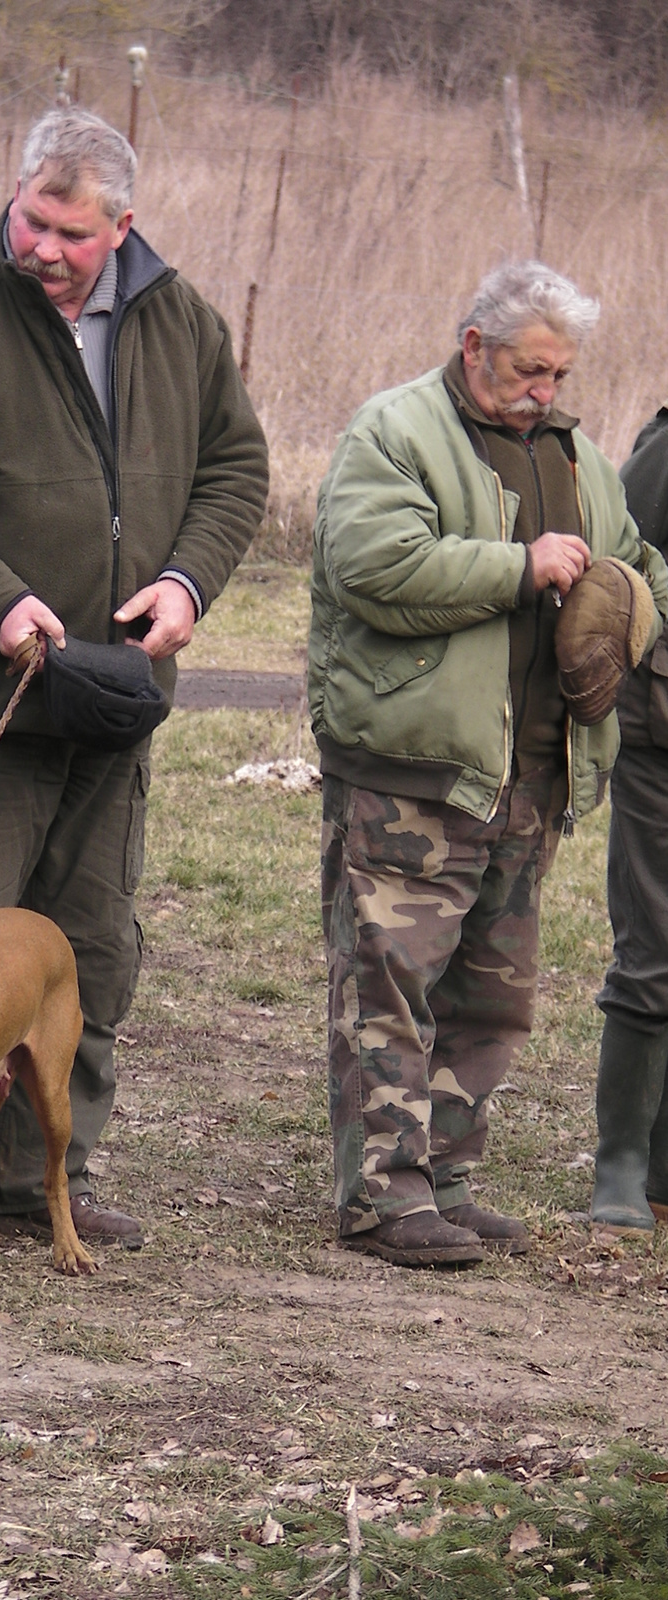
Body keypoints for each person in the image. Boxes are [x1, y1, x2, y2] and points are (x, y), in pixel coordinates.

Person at [0, 107, 268, 1252]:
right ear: (15, 192)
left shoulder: (182, 320)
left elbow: (236, 468)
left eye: (72, 233)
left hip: (116, 702)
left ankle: (47, 1181)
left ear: (122, 226)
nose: (43, 247)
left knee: (87, 951)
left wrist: (187, 581)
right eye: (33, 218)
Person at [308, 260, 668, 1268]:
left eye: (559, 373)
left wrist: (626, 596)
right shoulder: (395, 431)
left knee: (491, 996)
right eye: (529, 368)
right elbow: (374, 567)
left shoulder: (581, 457)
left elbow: (642, 565)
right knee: (389, 983)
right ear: (476, 345)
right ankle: (383, 1194)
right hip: (411, 768)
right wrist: (523, 564)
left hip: (532, 773)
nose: (547, 390)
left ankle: (448, 1175)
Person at [591, 407, 668, 1233]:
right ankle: (623, 1163)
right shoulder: (666, 449)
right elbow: (622, 574)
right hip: (660, 734)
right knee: (653, 943)